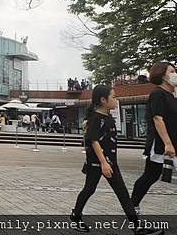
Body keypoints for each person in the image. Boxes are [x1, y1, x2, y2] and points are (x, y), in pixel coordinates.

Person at [70, 85, 162, 235]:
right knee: (89, 189)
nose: (116, 100)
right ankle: (76, 216)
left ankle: (137, 226)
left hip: (111, 162)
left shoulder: (108, 116)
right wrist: (103, 163)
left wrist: (108, 162)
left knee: (122, 193)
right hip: (99, 162)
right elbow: (93, 140)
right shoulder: (96, 118)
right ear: (103, 100)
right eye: (113, 97)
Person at [131, 62, 177, 218]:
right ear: (162, 75)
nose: (175, 74)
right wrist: (168, 143)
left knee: (152, 175)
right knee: (150, 175)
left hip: (172, 143)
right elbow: (158, 119)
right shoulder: (157, 93)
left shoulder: (172, 95)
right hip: (160, 143)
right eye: (172, 71)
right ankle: (133, 206)